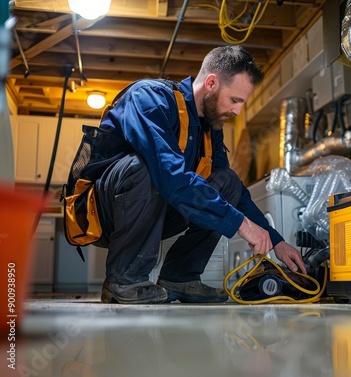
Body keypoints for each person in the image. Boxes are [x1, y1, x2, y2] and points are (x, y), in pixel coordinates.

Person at [92, 45, 306, 304]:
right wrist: (241, 224)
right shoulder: (149, 99)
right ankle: (124, 280)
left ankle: (179, 278)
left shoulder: (209, 127)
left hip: (156, 210)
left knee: (227, 183)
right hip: (107, 211)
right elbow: (170, 176)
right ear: (212, 83)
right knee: (146, 166)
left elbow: (233, 193)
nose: (238, 111)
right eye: (235, 100)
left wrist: (276, 241)